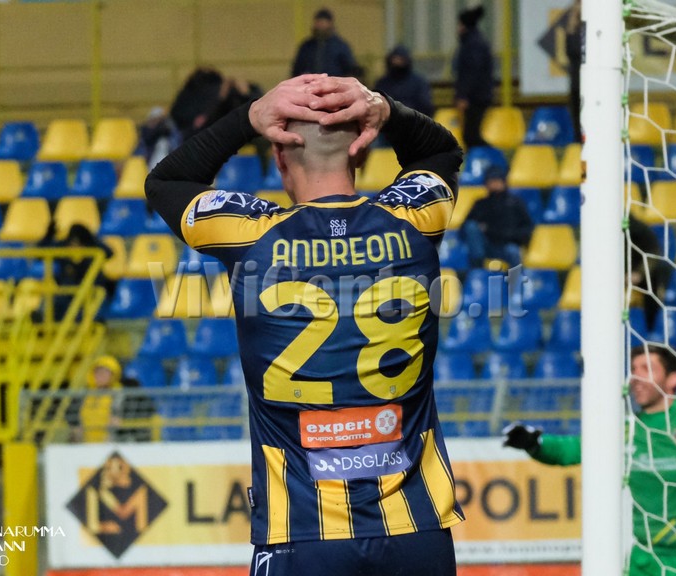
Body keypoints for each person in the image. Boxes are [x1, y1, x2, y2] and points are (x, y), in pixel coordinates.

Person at [146, 74, 465, 575]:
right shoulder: (414, 220)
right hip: (416, 530)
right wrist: (385, 109)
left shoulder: (251, 235)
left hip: (299, 534)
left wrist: (248, 118)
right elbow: (442, 153)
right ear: (361, 151)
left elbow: (165, 182)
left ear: (278, 156)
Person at [503, 344, 676, 576]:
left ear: (673, 379)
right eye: (633, 369)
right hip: (645, 562)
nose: (636, 377)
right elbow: (571, 451)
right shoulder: (628, 431)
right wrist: (534, 442)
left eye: (647, 369)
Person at [461, 165, 533, 268]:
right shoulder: (481, 204)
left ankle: (516, 279)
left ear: (504, 182)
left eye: (497, 180)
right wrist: (480, 230)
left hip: (507, 244)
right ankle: (477, 272)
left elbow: (527, 227)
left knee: (513, 251)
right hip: (486, 246)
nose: (494, 184)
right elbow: (465, 227)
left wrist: (510, 235)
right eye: (491, 181)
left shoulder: (515, 203)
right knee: (471, 227)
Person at [169, 67, 263, 144]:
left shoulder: (195, 92)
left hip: (213, 135)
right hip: (210, 136)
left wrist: (244, 94)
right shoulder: (212, 94)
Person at [453, 5, 493, 148]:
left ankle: (492, 157)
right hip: (479, 95)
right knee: (471, 135)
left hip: (475, 97)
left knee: (471, 136)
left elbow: (470, 72)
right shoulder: (476, 42)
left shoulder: (472, 44)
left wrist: (463, 95)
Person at [291, 8, 359, 78]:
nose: (320, 25)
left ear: (330, 24)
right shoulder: (306, 46)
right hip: (310, 83)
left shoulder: (340, 46)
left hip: (333, 83)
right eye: (318, 22)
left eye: (323, 22)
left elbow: (350, 69)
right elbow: (297, 69)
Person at [71, 355, 123, 443]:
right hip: (85, 441)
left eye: (105, 373)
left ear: (113, 375)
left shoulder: (118, 393)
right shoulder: (84, 393)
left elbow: (120, 415)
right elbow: (72, 414)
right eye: (98, 372)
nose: (101, 376)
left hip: (109, 441)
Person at [374, 45, 434, 118]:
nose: (397, 62)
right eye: (395, 59)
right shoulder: (383, 83)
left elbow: (426, 106)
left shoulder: (419, 82)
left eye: (400, 59)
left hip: (413, 121)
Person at [564, 0, 582, 143]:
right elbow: (571, 52)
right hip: (576, 81)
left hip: (594, 82)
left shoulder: (598, 29)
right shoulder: (572, 30)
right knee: (577, 114)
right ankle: (578, 142)